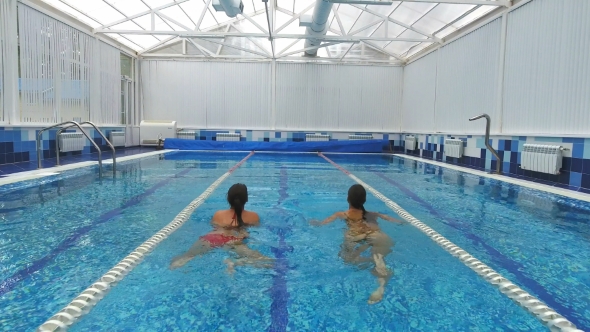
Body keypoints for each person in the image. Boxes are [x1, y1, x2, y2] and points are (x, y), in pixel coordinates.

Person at [311, 184, 404, 304]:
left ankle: (371, 262)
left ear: (348, 199)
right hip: (376, 235)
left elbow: (322, 224)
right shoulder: (373, 214)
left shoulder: (341, 215)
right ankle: (380, 282)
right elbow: (396, 221)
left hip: (355, 236)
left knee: (346, 259)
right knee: (379, 258)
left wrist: (315, 222)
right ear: (364, 200)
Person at [169, 183, 272, 273]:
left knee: (186, 257)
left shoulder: (218, 214)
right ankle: (236, 262)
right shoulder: (253, 216)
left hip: (213, 238)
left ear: (228, 199)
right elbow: (255, 230)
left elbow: (213, 226)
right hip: (235, 241)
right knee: (268, 262)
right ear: (246, 199)